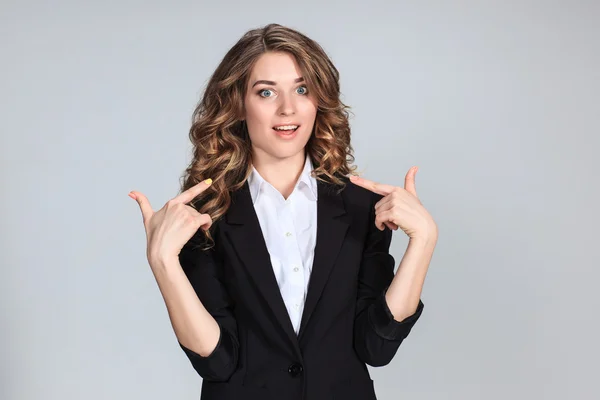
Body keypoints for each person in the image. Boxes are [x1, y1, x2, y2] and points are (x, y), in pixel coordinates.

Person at [129, 23, 438, 400]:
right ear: (239, 105)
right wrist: (163, 261)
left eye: (302, 89)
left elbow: (377, 347)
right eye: (266, 92)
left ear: (318, 100)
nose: (287, 108)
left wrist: (423, 242)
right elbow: (217, 362)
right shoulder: (206, 215)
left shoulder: (362, 207)